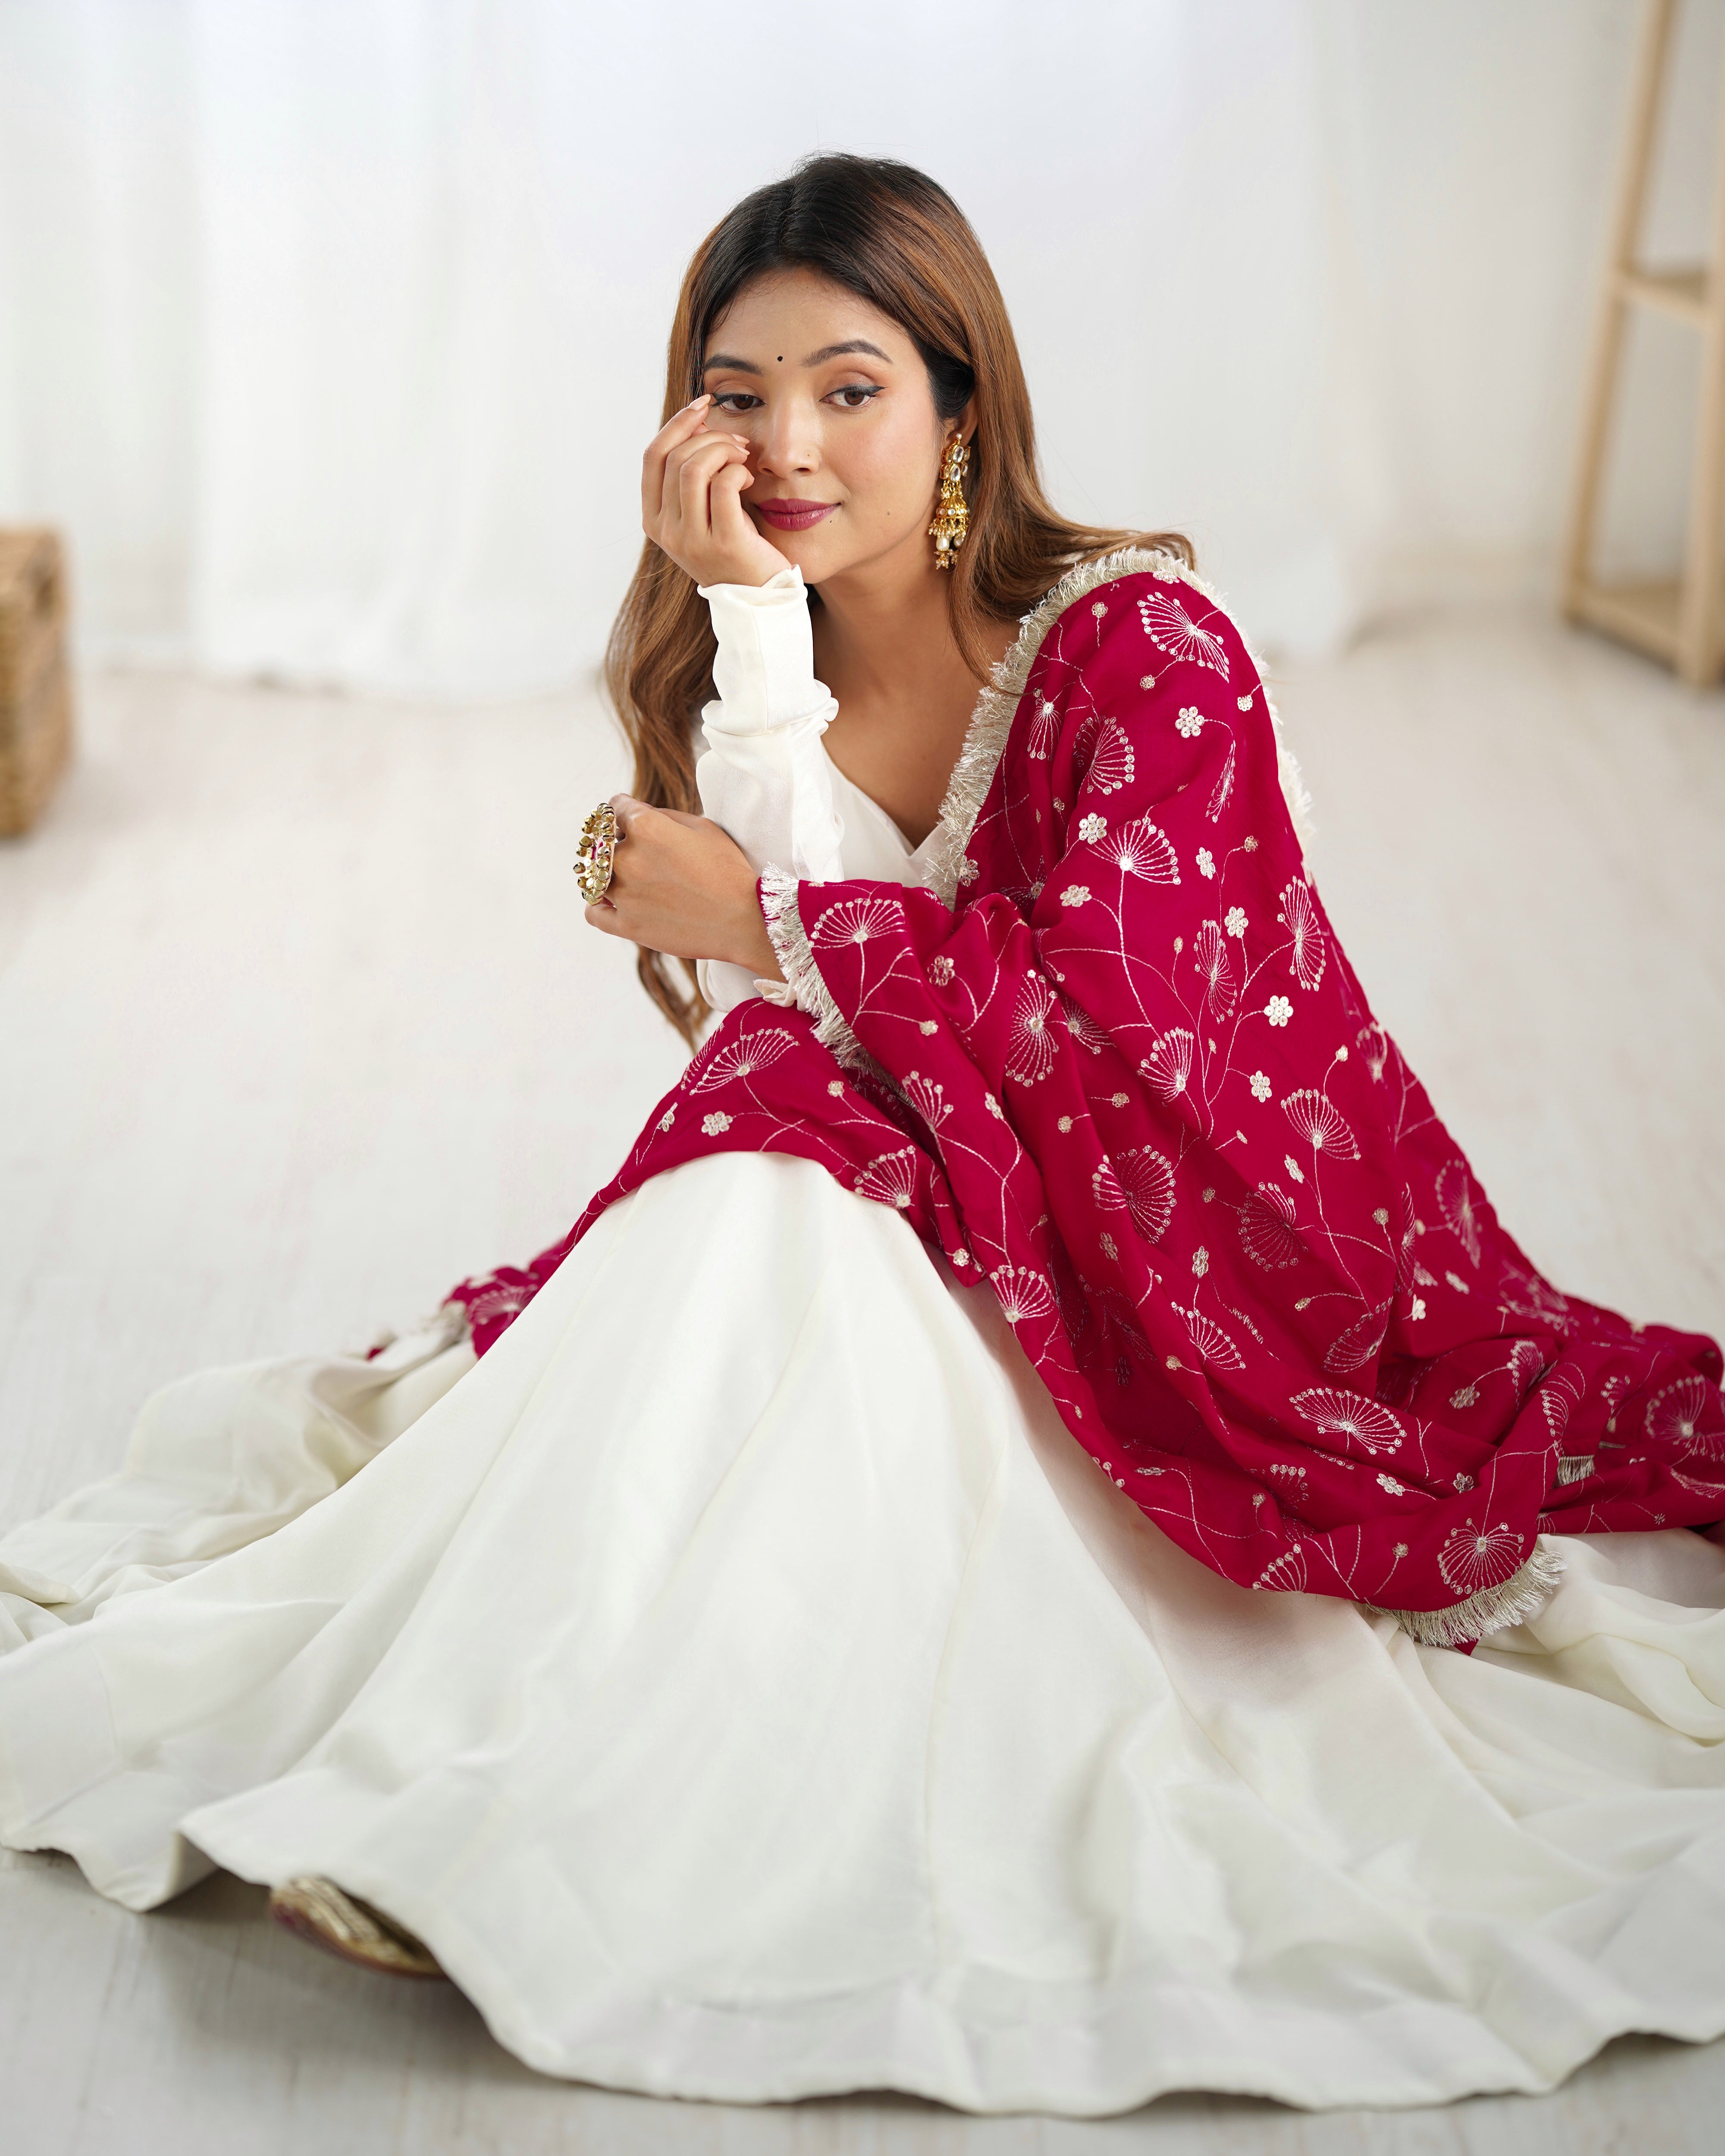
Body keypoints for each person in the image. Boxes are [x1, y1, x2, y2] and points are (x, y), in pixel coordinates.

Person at [2, 154, 1723, 2118]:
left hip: (1195, 1274)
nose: (790, 444)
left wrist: (759, 917)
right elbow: (798, 1024)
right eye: (738, 392)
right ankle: (465, 1767)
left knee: (774, 1158)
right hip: (907, 1219)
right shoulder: (767, 620)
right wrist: (746, 638)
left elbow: (1125, 1053)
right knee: (768, 1150)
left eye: (849, 387)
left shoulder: (1142, 650)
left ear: (959, 404)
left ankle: (542, 1788)